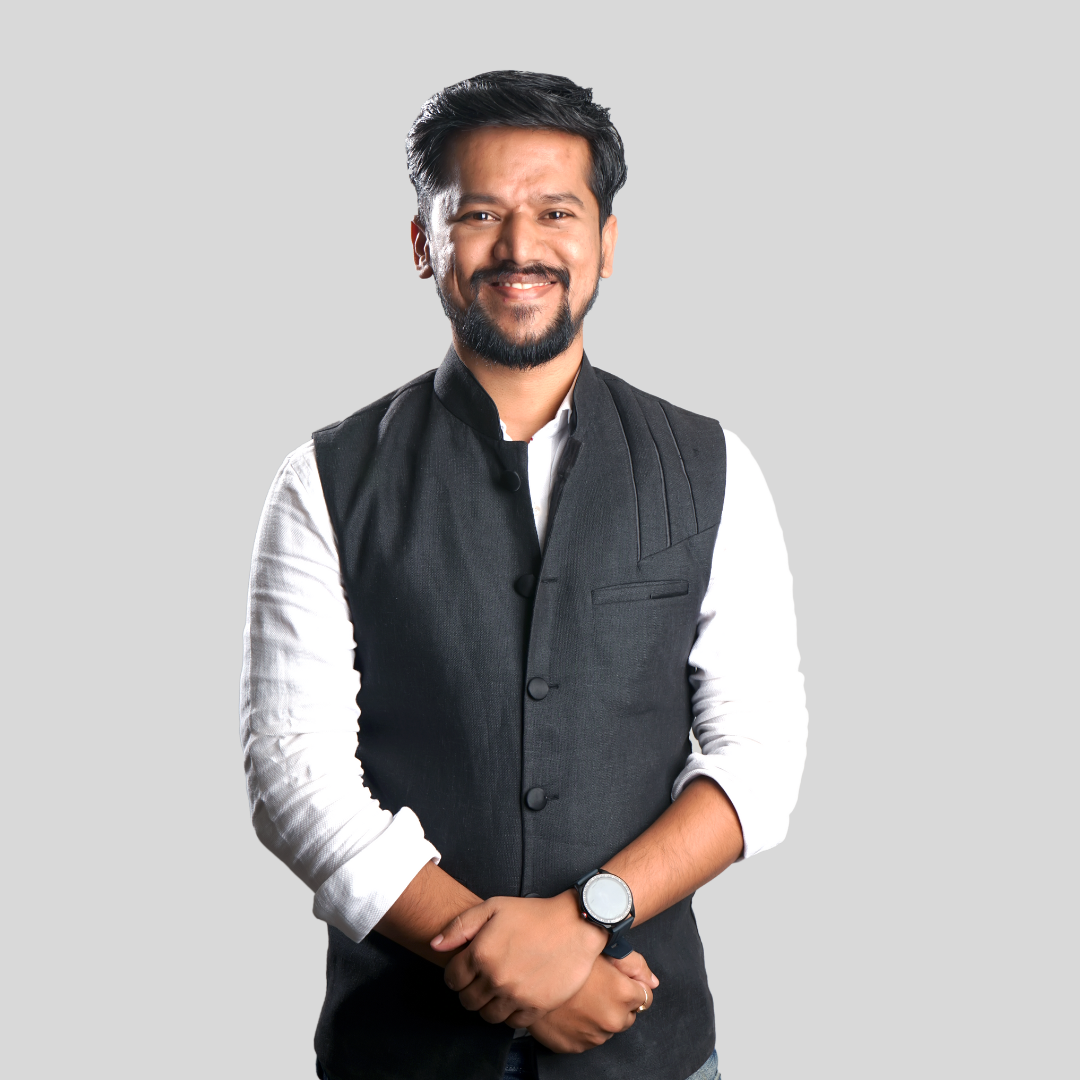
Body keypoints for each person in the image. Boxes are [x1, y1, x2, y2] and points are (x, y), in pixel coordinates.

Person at [240, 70, 808, 1080]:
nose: (519, 247)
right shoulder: (322, 480)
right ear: (423, 243)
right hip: (403, 1055)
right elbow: (294, 775)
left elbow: (757, 757)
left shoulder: (713, 466)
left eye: (556, 212)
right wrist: (514, 963)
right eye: (479, 215)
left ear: (606, 243)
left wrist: (585, 921)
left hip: (648, 1051)